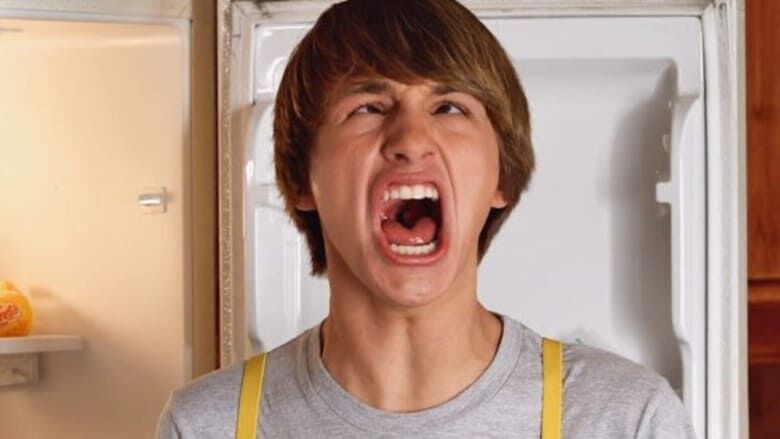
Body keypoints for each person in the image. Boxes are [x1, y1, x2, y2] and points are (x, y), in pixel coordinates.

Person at [157, 0, 695, 437]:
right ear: (301, 179)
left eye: (449, 107)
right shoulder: (207, 426)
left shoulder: (624, 419)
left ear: (502, 177)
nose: (412, 140)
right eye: (367, 108)